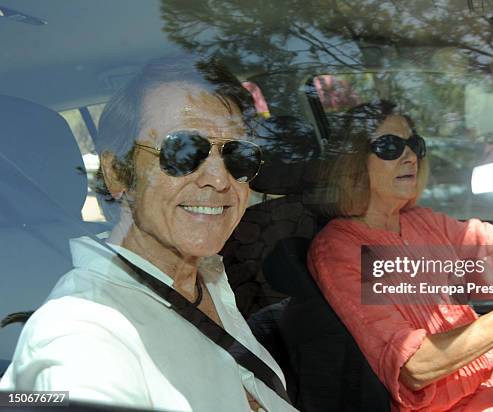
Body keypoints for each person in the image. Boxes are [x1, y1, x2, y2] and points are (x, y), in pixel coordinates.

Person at [0, 56, 297, 412]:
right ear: (118, 174)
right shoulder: (84, 333)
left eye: (238, 155)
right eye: (183, 151)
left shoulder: (206, 278)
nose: (220, 180)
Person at [307, 99, 493, 411]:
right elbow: (415, 367)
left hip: (489, 377)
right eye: (389, 146)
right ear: (353, 162)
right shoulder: (340, 249)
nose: (410, 156)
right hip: (444, 405)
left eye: (414, 144)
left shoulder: (421, 223)